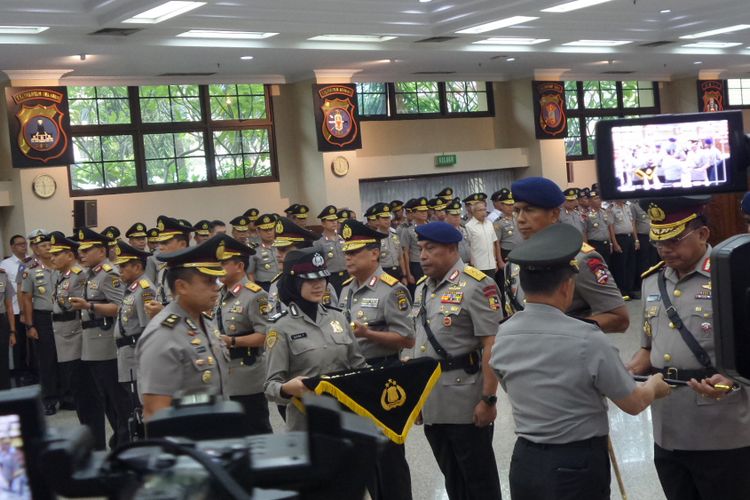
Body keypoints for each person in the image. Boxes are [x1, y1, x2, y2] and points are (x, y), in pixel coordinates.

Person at [491, 223, 670, 500]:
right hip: (575, 464)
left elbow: (511, 384)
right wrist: (655, 386)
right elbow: (633, 403)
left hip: (524, 461)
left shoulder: (503, 333)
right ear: (567, 286)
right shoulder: (587, 338)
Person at [626, 196, 750, 500]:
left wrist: (732, 378)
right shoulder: (652, 281)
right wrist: (620, 373)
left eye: (675, 240)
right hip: (668, 427)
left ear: (703, 234)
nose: (665, 249)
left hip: (722, 426)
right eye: (658, 242)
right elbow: (647, 349)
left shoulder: (734, 274)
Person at [410, 221, 503, 500]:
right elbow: (419, 344)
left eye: (430, 248)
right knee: (453, 480)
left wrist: (488, 400)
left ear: (451, 248)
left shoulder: (477, 285)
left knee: (479, 482)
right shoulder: (422, 288)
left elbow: (492, 345)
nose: (423, 256)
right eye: (421, 249)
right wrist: (417, 399)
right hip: (432, 399)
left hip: (466, 400)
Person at [339, 219, 414, 500]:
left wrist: (368, 333)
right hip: (357, 377)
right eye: (346, 252)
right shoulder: (346, 289)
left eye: (354, 252)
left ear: (374, 253)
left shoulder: (390, 289)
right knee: (365, 452)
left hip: (384, 375)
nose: (348, 257)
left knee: (389, 456)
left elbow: (407, 338)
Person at [504, 177, 629, 333]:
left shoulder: (580, 259)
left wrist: (558, 329)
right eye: (517, 211)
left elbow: (619, 318)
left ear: (555, 214)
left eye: (529, 210)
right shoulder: (514, 262)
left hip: (570, 352)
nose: (521, 219)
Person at [264, 247, 367, 431]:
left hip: (347, 419)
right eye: (310, 280)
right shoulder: (280, 328)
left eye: (321, 278)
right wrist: (287, 389)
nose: (318, 285)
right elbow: (271, 386)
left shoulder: (338, 318)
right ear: (294, 282)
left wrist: (396, 369)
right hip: (307, 424)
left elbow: (360, 368)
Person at [136, 235, 230, 421]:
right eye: (208, 282)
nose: (216, 288)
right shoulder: (163, 335)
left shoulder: (202, 321)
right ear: (182, 286)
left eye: (216, 282)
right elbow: (156, 412)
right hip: (186, 442)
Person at [69, 227, 132, 447]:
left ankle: (124, 440)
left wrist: (89, 305)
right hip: (92, 344)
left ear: (102, 251)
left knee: (116, 398)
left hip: (105, 343)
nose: (82, 254)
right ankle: (119, 437)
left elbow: (120, 307)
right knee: (104, 397)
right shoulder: (90, 274)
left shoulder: (109, 274)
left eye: (87, 250)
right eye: (81, 250)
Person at [48, 232, 106, 450]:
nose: (51, 258)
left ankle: (96, 445)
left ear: (69, 255)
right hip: (64, 338)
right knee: (79, 395)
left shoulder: (79, 275)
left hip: (77, 339)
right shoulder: (61, 275)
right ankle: (91, 442)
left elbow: (81, 308)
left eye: (56, 254)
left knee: (87, 396)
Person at [215, 234, 273, 435]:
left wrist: (231, 340)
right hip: (225, 374)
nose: (218, 267)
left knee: (256, 429)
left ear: (239, 266)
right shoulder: (220, 294)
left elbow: (266, 336)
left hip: (248, 374)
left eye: (223, 263)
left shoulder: (255, 295)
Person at [112, 241, 156, 409]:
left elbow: (147, 329)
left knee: (137, 406)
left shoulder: (144, 290)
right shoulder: (131, 288)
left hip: (135, 357)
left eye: (124, 266)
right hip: (126, 356)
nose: (119, 270)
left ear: (137, 267)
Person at [20, 231, 58, 415]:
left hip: (62, 318)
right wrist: (30, 325)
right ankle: (49, 399)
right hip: (42, 318)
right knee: (46, 360)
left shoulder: (61, 268)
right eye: (43, 246)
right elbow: (26, 299)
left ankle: (66, 396)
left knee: (65, 358)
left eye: (49, 244)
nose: (48, 248)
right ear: (35, 249)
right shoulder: (31, 271)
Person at [0, 235, 33, 387]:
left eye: (24, 244)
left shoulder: (32, 262)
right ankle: (20, 375)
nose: (23, 247)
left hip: (27, 308)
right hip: (13, 310)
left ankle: (31, 374)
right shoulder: (5, 265)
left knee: (31, 345)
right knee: (18, 347)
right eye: (19, 244)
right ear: (12, 247)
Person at [145, 216, 192, 318]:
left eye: (165, 243)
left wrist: (163, 311)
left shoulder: (193, 273)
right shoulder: (164, 270)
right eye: (160, 242)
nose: (160, 247)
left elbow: (199, 316)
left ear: (182, 244)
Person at [367, 202, 409, 283]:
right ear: (377, 220)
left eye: (388, 218)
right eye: (384, 218)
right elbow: (374, 261)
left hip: (397, 272)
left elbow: (400, 257)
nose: (387, 221)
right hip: (383, 272)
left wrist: (404, 275)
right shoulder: (374, 238)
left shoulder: (395, 235)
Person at [314, 205, 348, 295]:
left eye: (335, 220)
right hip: (331, 278)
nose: (334, 223)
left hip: (346, 275)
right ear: (323, 223)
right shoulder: (319, 242)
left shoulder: (342, 239)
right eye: (330, 220)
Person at [609, 199, 639, 298]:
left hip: (630, 237)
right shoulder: (611, 209)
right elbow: (611, 228)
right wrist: (615, 243)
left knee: (631, 265)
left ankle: (630, 290)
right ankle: (622, 291)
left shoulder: (627, 207)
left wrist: (636, 240)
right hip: (620, 238)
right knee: (621, 266)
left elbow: (632, 224)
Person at [464, 199, 501, 279]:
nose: (483, 212)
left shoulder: (489, 224)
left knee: (490, 288)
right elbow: (468, 246)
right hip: (478, 265)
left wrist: (495, 261)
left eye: (484, 209)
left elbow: (493, 243)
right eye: (480, 210)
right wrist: (472, 263)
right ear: (474, 212)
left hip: (491, 264)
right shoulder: (469, 226)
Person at [400, 197, 429, 295]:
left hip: (431, 261)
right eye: (421, 211)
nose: (424, 213)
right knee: (419, 292)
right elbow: (405, 253)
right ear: (414, 213)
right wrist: (408, 274)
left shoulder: (431, 227)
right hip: (416, 264)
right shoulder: (408, 230)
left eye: (425, 210)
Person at [584, 186, 614, 268]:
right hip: (595, 244)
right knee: (597, 268)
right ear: (590, 201)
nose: (599, 200)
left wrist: (610, 243)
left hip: (606, 244)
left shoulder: (604, 212)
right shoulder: (586, 215)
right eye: (596, 198)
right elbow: (585, 232)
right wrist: (587, 248)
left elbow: (608, 228)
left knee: (607, 266)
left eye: (599, 198)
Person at [248, 213, 279, 291]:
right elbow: (250, 273)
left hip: (282, 283)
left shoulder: (282, 246)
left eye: (271, 229)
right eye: (265, 230)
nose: (269, 232)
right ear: (258, 231)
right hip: (265, 286)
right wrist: (255, 291)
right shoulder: (254, 250)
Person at [491, 189, 523, 262]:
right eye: (508, 205)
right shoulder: (498, 222)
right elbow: (497, 243)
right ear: (501, 205)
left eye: (512, 204)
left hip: (522, 250)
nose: (511, 207)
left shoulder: (519, 217)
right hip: (507, 252)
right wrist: (499, 261)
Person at [444, 198, 472, 264]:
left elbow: (470, 245)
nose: (457, 217)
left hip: (469, 264)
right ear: (446, 215)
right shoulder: (444, 232)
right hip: (454, 265)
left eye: (458, 214)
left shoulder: (463, 229)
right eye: (454, 215)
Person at [0, 263, 14, 391]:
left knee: (2, 359)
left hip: (1, 320)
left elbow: (9, 306)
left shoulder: (3, 276)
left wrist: (12, 331)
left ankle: (5, 394)